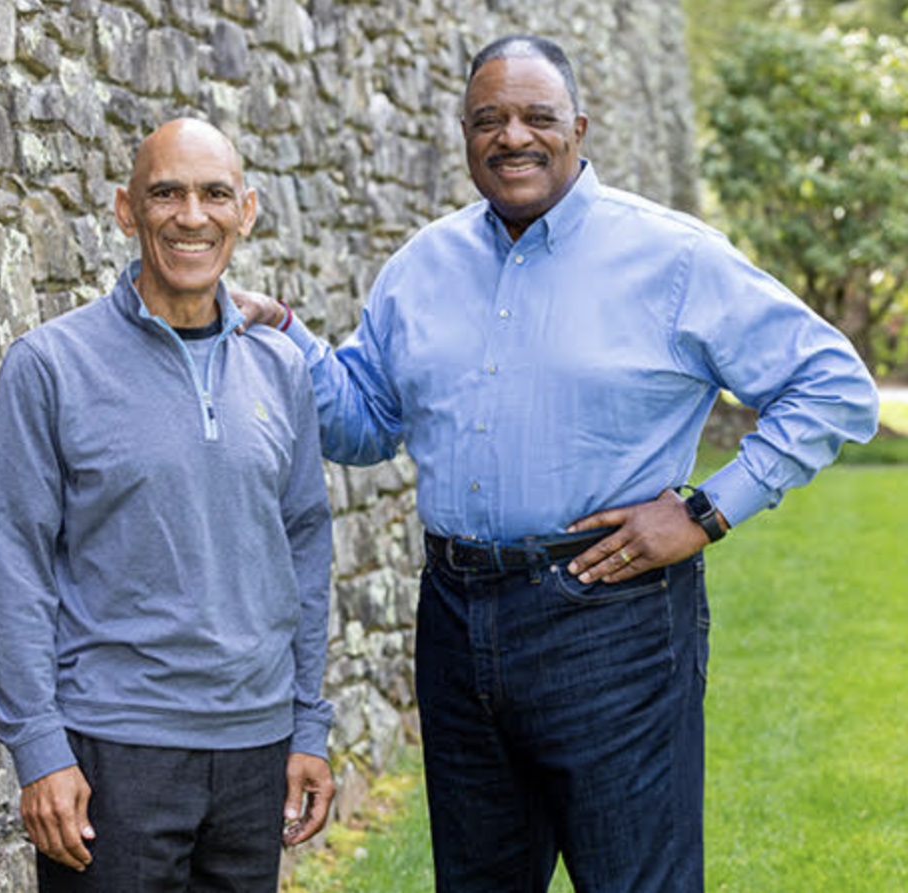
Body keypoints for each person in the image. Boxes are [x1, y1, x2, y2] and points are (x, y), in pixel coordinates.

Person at [234, 35, 879, 892]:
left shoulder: (674, 258)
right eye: (489, 119)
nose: (513, 137)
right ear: (464, 134)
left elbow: (834, 385)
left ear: (579, 127)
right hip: (456, 622)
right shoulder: (418, 269)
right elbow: (364, 424)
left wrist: (705, 511)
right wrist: (284, 336)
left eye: (538, 116)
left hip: (611, 617)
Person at [0, 118, 335, 891]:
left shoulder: (281, 371)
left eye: (213, 194)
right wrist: (41, 748)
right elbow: (15, 563)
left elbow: (306, 550)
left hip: (256, 751)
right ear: (124, 210)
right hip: (113, 752)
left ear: (247, 210)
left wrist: (309, 725)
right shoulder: (51, 366)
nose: (191, 215)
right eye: (165, 193)